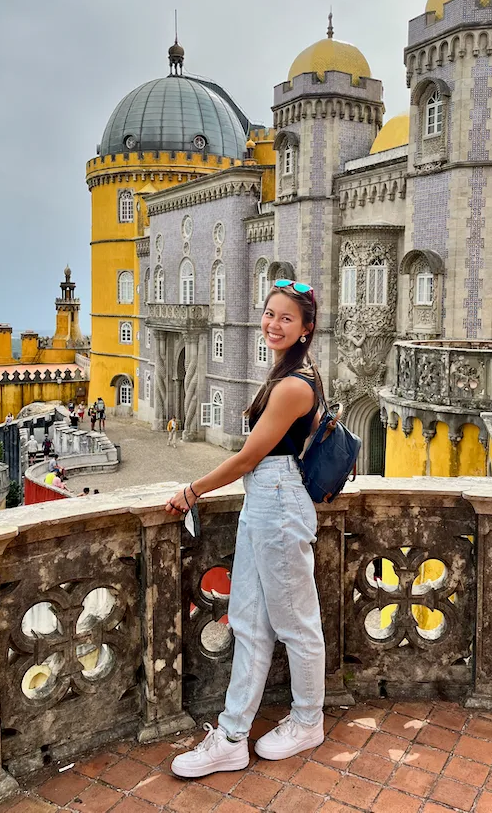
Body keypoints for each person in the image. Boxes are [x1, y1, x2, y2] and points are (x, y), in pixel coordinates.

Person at [167, 280, 325, 779]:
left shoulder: (295, 385)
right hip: (265, 501)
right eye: (269, 314)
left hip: (277, 502)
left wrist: (193, 490)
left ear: (306, 329)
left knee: (296, 624)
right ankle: (232, 737)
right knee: (251, 624)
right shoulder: (289, 376)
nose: (273, 324)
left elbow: (248, 457)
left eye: (286, 318)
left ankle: (307, 721)